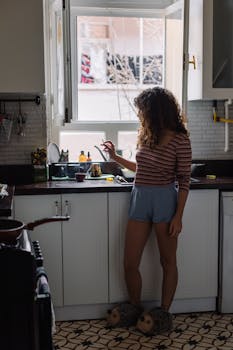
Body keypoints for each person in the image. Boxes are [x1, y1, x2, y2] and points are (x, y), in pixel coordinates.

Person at [102, 87, 192, 332]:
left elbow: (184, 180)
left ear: (156, 111)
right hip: (140, 198)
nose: (140, 115)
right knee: (130, 262)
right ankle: (135, 307)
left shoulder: (180, 139)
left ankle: (162, 314)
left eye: (143, 110)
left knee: (167, 261)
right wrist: (115, 157)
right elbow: (141, 167)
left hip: (164, 201)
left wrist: (178, 217)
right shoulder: (146, 134)